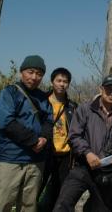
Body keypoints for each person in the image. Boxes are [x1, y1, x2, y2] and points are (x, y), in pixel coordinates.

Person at [53, 74, 112, 212]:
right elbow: (74, 135)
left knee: (100, 209)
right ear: (101, 89)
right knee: (63, 204)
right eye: (108, 89)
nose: (111, 93)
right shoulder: (86, 109)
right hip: (83, 167)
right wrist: (87, 153)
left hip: (107, 172)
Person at [0, 55, 53, 212]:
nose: (34, 77)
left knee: (28, 206)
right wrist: (33, 141)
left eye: (39, 74)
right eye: (30, 72)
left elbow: (49, 121)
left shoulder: (44, 98)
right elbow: (7, 123)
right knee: (1, 204)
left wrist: (44, 137)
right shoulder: (9, 93)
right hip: (10, 160)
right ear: (21, 72)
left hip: (36, 162)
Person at [38, 67, 78, 211]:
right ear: (52, 82)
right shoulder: (41, 102)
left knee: (60, 192)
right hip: (45, 153)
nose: (62, 84)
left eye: (65, 81)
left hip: (65, 156)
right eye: (59, 80)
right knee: (37, 188)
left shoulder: (72, 106)